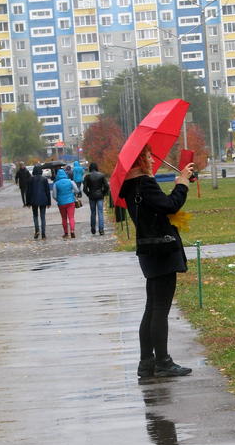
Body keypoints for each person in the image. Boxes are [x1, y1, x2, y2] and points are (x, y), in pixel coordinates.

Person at [119, 145, 195, 379]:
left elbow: (157, 209)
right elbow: (169, 205)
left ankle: (146, 362)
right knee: (160, 308)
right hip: (161, 249)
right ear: (141, 159)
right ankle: (162, 361)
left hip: (148, 249)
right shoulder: (144, 183)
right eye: (149, 155)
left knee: (152, 307)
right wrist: (182, 183)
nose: (152, 159)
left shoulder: (131, 185)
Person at [83, 162, 109, 235]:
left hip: (91, 196)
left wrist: (88, 194)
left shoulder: (87, 177)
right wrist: (103, 193)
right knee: (100, 212)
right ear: (96, 167)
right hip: (100, 195)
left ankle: (93, 228)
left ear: (90, 168)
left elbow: (84, 189)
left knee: (93, 212)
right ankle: (101, 229)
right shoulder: (101, 175)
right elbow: (106, 186)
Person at [25, 164, 51, 240]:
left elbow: (28, 192)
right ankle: (43, 234)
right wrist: (49, 202)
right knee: (43, 217)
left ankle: (37, 231)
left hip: (33, 200)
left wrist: (28, 202)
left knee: (35, 216)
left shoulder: (30, 179)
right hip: (43, 200)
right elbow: (47, 191)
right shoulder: (44, 179)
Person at [52, 167, 79, 239]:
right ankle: (72, 231)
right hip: (71, 202)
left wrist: (58, 199)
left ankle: (66, 233)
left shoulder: (56, 184)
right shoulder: (70, 181)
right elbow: (77, 190)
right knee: (71, 217)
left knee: (64, 218)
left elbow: (54, 195)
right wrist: (72, 193)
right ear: (65, 174)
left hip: (61, 203)